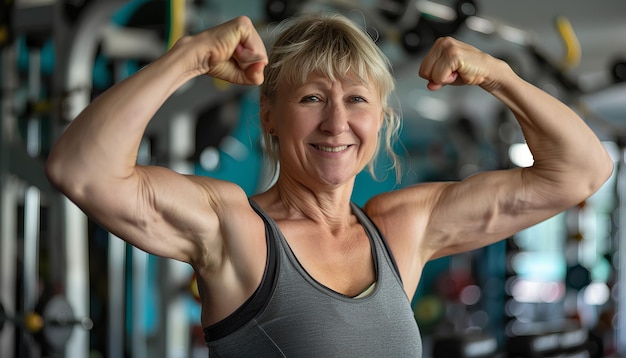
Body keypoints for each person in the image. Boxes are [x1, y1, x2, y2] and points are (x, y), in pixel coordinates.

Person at [46, 11, 613, 357]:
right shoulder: (234, 228)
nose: (337, 123)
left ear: (380, 118)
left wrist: (498, 75)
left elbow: (582, 170)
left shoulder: (401, 229)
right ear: (269, 114)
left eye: (357, 100)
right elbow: (81, 169)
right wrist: (189, 57)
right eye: (312, 98)